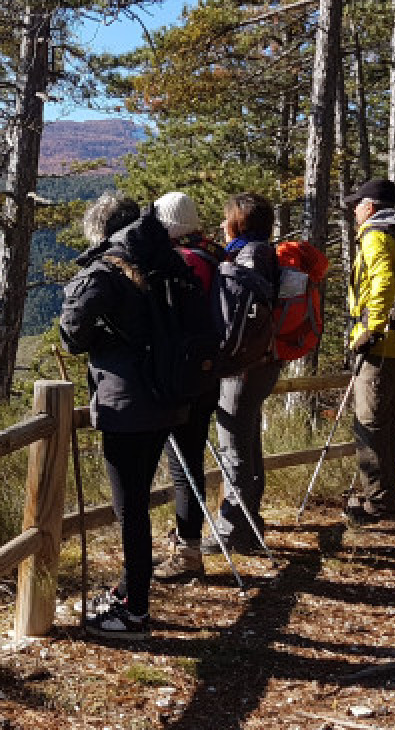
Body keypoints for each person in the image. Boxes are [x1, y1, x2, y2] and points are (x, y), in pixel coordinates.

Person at [59, 192, 191, 641]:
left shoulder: (107, 269)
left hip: (126, 403)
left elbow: (72, 334)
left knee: (129, 509)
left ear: (101, 228)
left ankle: (135, 614)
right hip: (167, 396)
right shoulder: (164, 261)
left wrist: (103, 338)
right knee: (136, 503)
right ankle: (127, 592)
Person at [202, 192, 281, 555]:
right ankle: (250, 524)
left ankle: (233, 529)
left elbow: (234, 320)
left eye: (227, 218)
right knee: (248, 444)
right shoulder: (265, 253)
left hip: (243, 368)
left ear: (239, 222)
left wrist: (219, 359)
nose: (222, 224)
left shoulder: (246, 257)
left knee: (234, 447)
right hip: (263, 362)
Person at [150, 191, 224, 579]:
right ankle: (187, 543)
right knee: (190, 458)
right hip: (209, 371)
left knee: (183, 465)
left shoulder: (183, 262)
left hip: (184, 376)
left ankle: (188, 551)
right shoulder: (212, 255)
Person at [343, 178, 395, 522]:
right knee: (389, 423)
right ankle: (385, 495)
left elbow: (384, 281)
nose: (354, 211)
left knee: (369, 425)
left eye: (357, 205)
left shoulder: (376, 236)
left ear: (370, 207)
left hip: (381, 344)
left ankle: (379, 501)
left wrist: (370, 330)